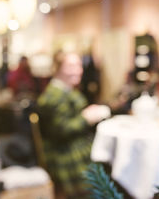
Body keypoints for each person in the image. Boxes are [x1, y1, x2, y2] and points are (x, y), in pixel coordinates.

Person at [37, 52, 109, 198]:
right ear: (57, 69)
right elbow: (61, 130)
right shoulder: (53, 96)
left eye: (79, 65)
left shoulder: (66, 89)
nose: (78, 70)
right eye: (70, 66)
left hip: (77, 143)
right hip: (65, 151)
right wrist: (86, 118)